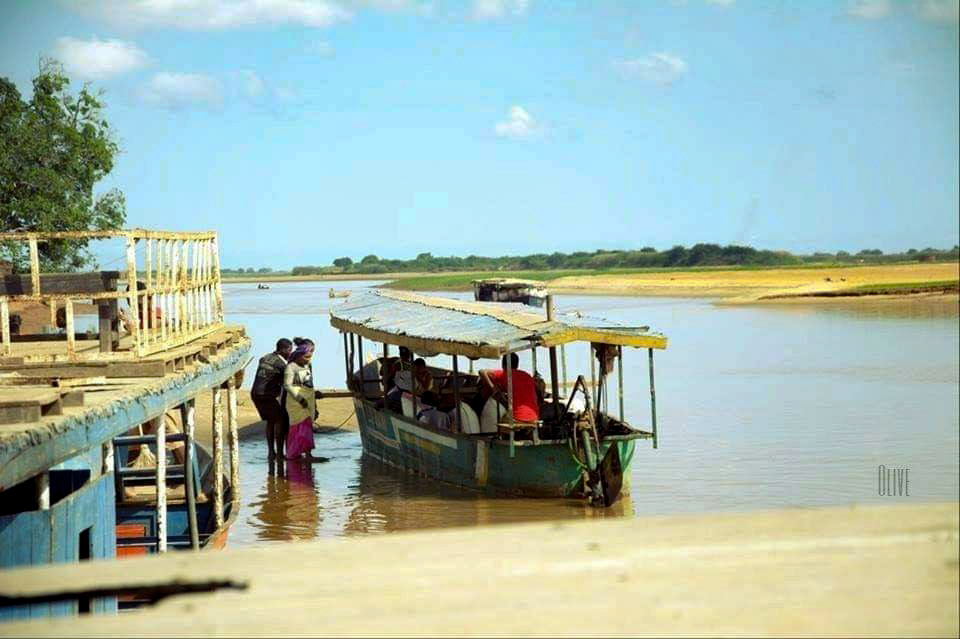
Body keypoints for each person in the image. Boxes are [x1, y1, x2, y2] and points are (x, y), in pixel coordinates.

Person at [251, 338, 293, 461]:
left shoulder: (265, 357)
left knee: (270, 421)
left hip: (255, 393)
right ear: (284, 350)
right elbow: (288, 382)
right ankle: (279, 454)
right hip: (266, 395)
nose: (290, 353)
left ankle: (271, 453)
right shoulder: (281, 364)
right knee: (280, 420)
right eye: (290, 350)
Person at [283, 342, 324, 462]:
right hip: (296, 403)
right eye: (306, 357)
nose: (308, 359)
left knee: (307, 427)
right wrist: (300, 399)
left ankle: (307, 454)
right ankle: (294, 454)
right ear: (299, 355)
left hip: (308, 400)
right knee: (298, 428)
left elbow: (308, 382)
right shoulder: (291, 367)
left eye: (310, 357)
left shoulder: (307, 365)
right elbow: (287, 385)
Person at [479, 353, 540, 423]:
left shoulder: (504, 373)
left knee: (498, 421)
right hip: (534, 417)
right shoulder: (527, 375)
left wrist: (493, 388)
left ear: (503, 365)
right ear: (517, 365)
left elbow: (482, 371)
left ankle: (498, 434)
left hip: (517, 417)